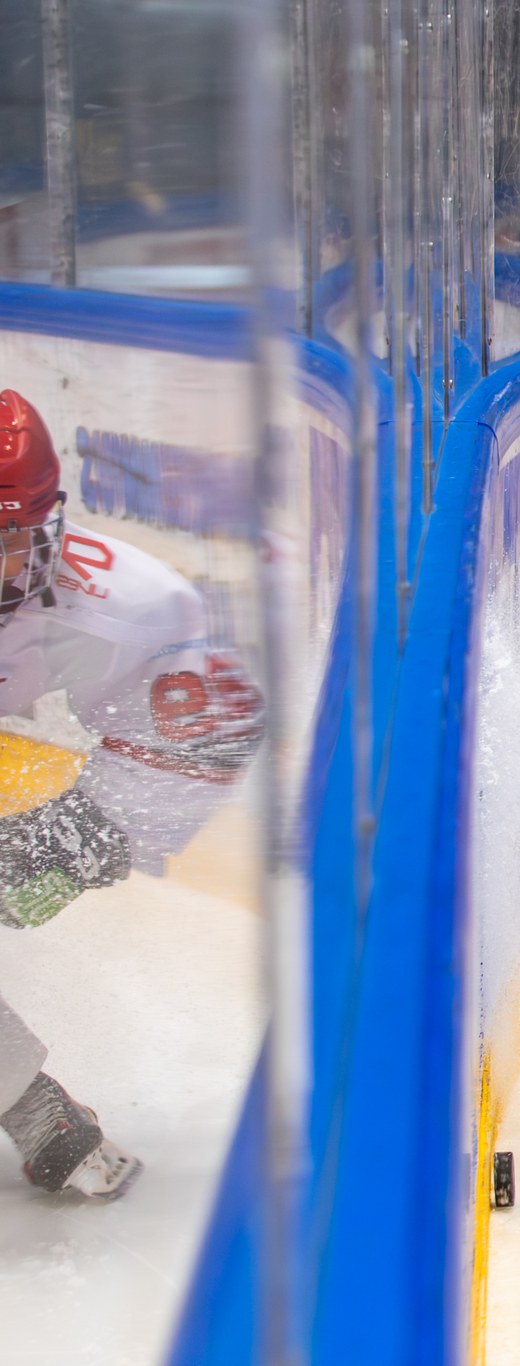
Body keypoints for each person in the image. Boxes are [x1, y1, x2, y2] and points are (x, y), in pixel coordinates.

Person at [0, 390, 263, 1198]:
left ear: (45, 528)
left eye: (1, 538)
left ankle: (29, 1103)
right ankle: (29, 1103)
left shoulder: (134, 609)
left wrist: (84, 835)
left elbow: (215, 735)